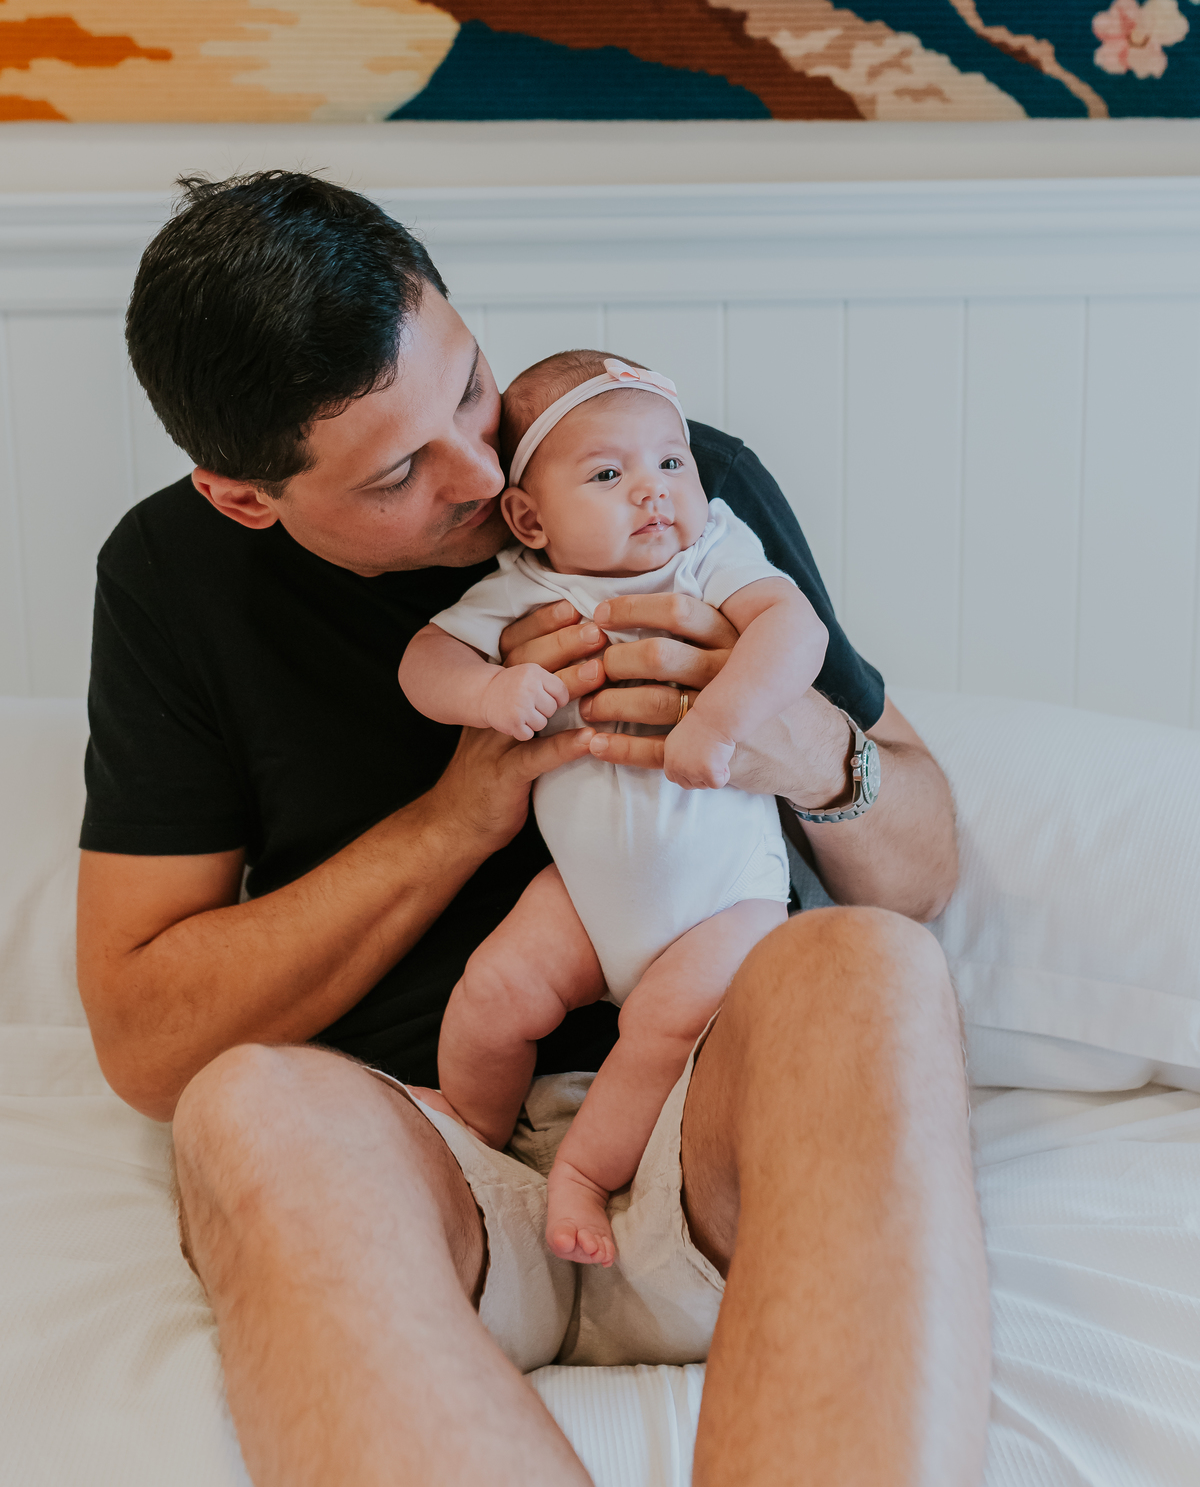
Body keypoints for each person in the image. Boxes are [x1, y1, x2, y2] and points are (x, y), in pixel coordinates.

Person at [76, 172, 990, 1487]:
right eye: (400, 469)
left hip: (715, 1124)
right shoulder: (174, 579)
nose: (482, 467)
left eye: (465, 386)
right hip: (434, 1163)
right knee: (241, 1108)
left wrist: (784, 735)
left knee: (874, 970)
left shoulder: (655, 472)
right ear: (245, 498)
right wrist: (459, 813)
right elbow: (147, 1033)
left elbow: (925, 863)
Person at [401, 351, 829, 1268]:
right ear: (529, 517)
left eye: (671, 462)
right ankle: (477, 1119)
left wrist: (720, 718)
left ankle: (587, 1174)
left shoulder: (709, 556)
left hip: (725, 904)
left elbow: (796, 630)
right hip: (588, 896)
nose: (655, 493)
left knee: (663, 1026)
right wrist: (489, 693)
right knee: (494, 989)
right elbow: (424, 663)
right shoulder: (526, 589)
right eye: (609, 474)